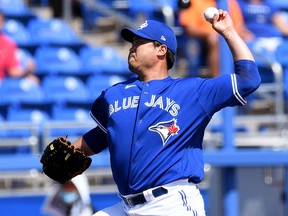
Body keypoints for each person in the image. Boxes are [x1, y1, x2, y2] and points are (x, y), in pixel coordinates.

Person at [69, 9, 260, 216]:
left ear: (161, 50)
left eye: (139, 42)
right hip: (126, 206)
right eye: (132, 43)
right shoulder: (114, 94)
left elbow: (248, 79)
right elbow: (101, 136)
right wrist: (70, 152)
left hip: (171, 203)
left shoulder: (192, 91)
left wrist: (229, 32)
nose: (132, 48)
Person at [178, 0, 254, 78]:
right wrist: (210, 34)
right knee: (215, 41)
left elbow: (239, 26)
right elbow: (190, 30)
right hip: (201, 42)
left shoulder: (229, 2)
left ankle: (243, 79)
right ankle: (218, 81)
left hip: (226, 38)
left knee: (247, 40)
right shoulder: (194, 2)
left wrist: (228, 34)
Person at [0, 11, 39, 84]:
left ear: (3, 23)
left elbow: (12, 71)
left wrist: (26, 71)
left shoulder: (8, 44)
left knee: (32, 81)